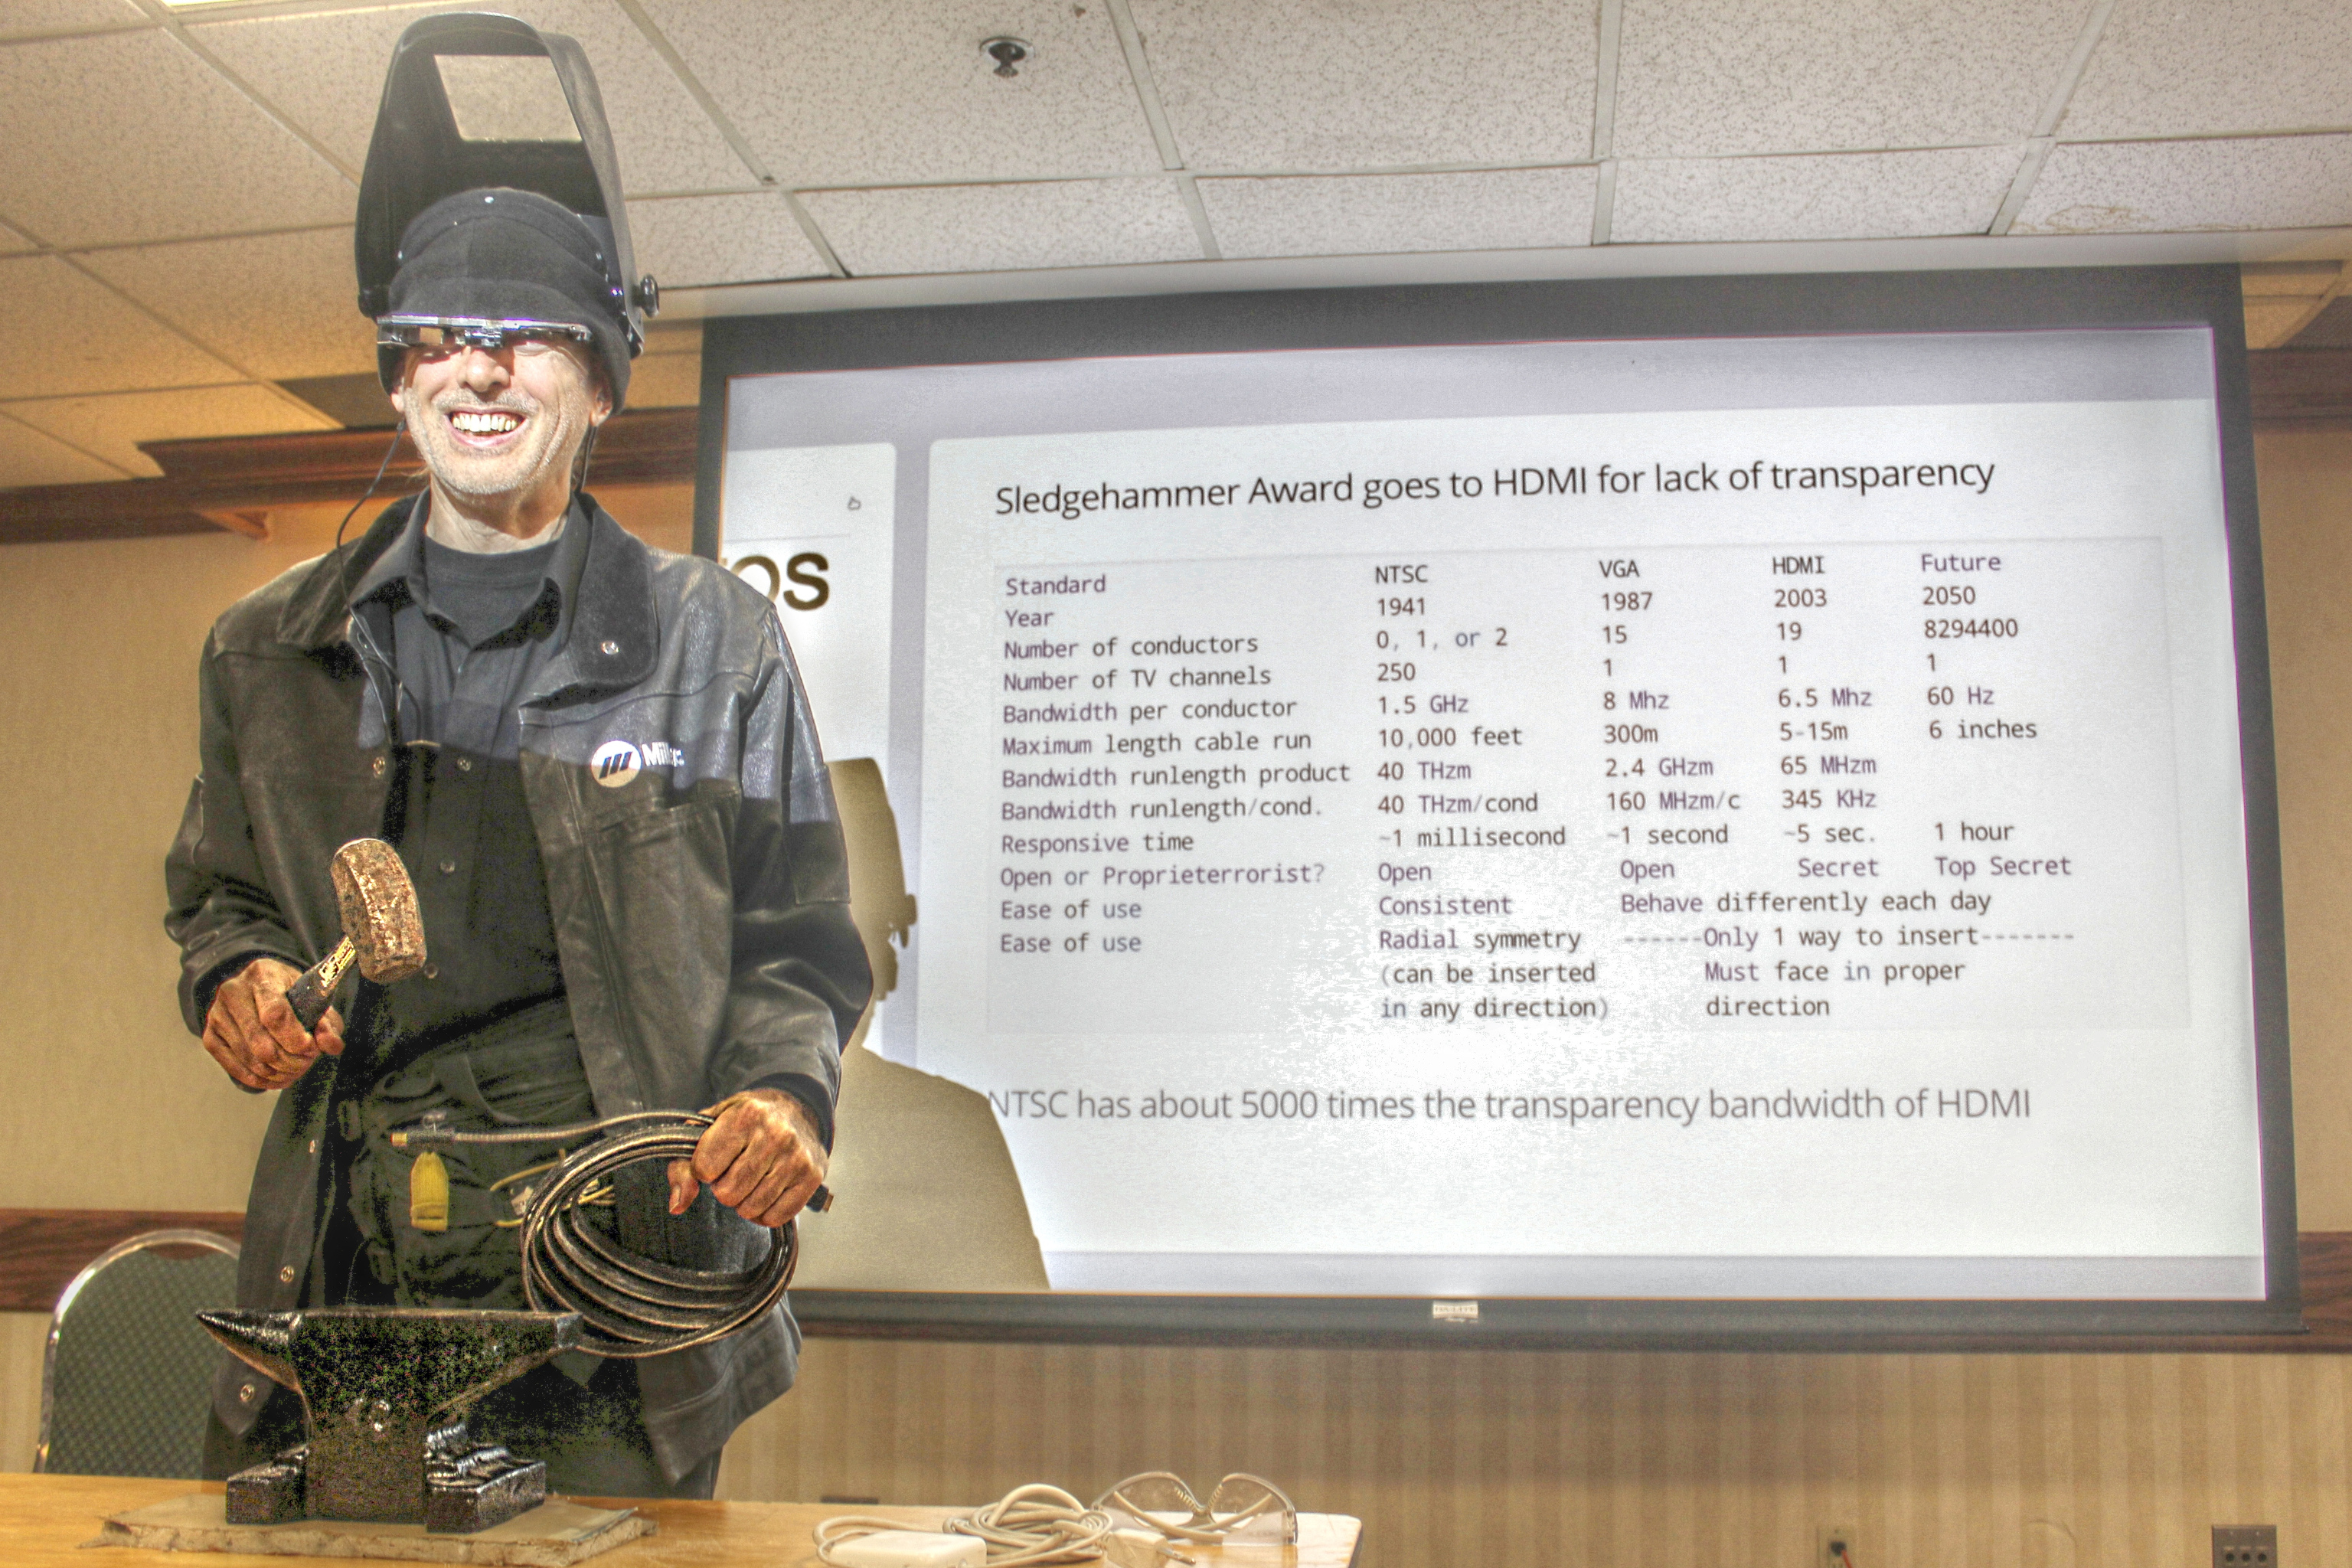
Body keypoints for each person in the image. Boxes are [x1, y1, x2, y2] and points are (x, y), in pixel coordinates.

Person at [163, 15, 870, 1498]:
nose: (478, 370)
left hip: (614, 1292)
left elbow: (800, 937)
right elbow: (218, 896)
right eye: (439, 339)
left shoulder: (714, 641)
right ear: (398, 381)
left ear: (603, 384)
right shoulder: (266, 649)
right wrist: (234, 976)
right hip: (348, 1273)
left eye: (528, 337)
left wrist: (785, 1093)